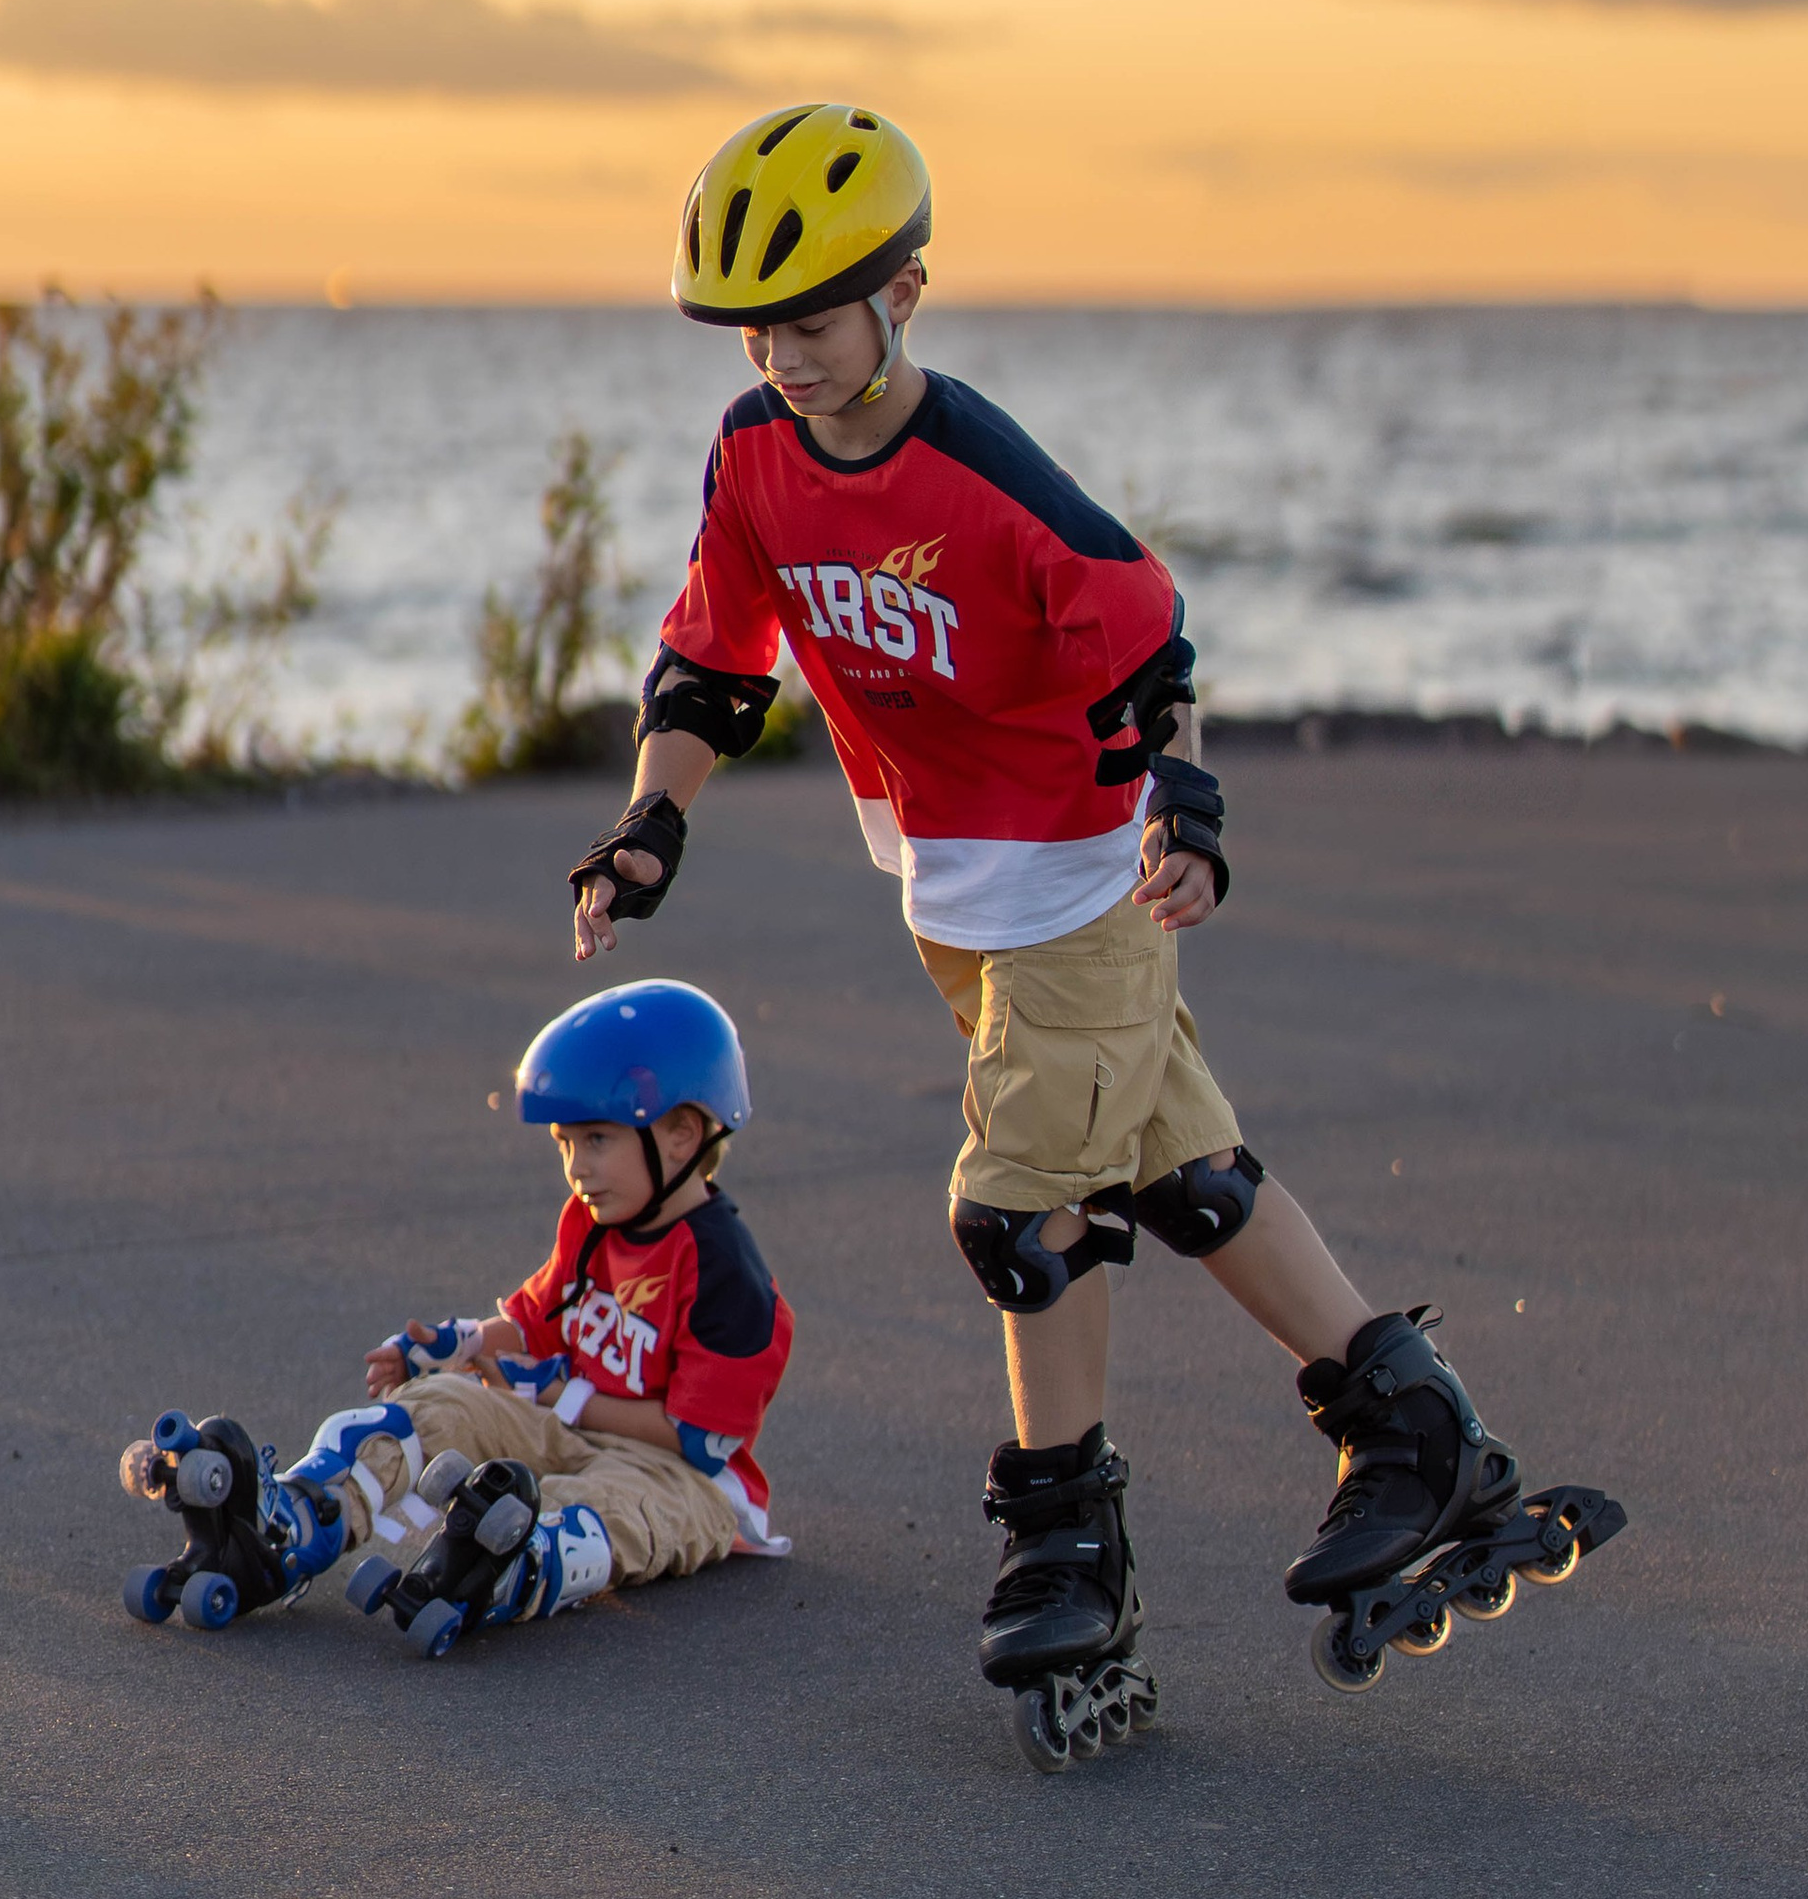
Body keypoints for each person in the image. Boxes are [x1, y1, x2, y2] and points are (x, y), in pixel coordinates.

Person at [564, 102, 1544, 1765]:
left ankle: (1064, 1543)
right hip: (953, 889)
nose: (786, 355)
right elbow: (714, 661)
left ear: (908, 293)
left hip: (1083, 881)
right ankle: (1411, 1422)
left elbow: (1151, 646)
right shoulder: (752, 458)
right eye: (759, 326)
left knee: (1027, 1203)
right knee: (1183, 1175)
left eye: (815, 317)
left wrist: (1192, 808)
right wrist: (655, 818)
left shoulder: (987, 479)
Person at [117, 980, 792, 1658]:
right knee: (441, 1402)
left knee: (595, 1506)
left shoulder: (726, 1274)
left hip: (684, 1480)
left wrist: (566, 1395)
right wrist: (457, 1343)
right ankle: (297, 1520)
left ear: (680, 1134)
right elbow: (535, 1321)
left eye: (595, 1139)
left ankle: (500, 1562)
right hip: (570, 1421)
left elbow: (700, 1441)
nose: (576, 1168)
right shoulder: (592, 1222)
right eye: (565, 1143)